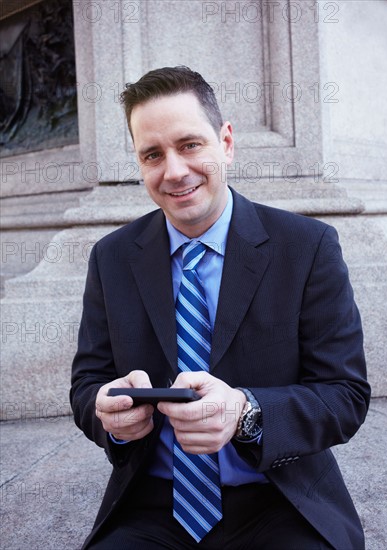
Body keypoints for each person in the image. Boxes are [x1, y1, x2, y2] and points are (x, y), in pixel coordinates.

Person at [70, 66, 371, 550]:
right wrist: (110, 418)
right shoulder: (111, 257)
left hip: (280, 496)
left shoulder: (307, 246)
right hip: (153, 504)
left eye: (189, 144)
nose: (173, 171)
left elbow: (345, 395)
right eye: (152, 154)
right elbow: (86, 385)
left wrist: (245, 411)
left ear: (225, 142)